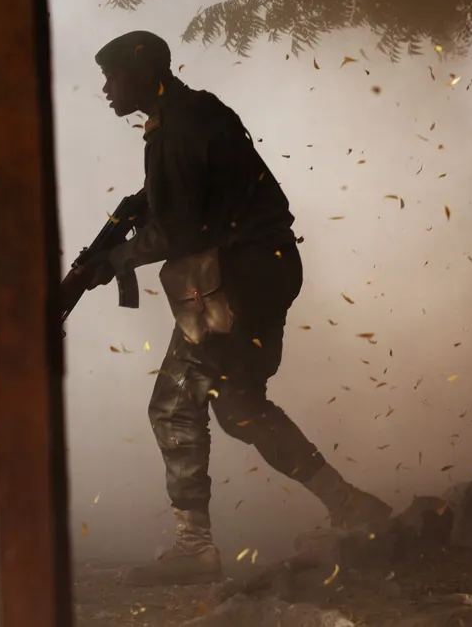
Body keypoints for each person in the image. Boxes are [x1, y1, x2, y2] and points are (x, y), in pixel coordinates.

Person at [73, 30, 392, 587]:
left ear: (143, 74)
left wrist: (114, 261)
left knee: (174, 407)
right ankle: (351, 505)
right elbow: (180, 196)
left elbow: (175, 228)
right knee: (238, 403)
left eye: (112, 76)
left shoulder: (177, 126)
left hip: (238, 280)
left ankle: (195, 548)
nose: (105, 88)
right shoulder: (194, 113)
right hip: (264, 270)